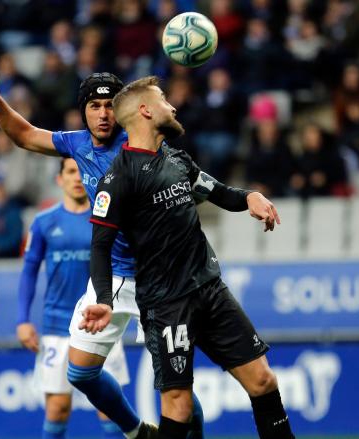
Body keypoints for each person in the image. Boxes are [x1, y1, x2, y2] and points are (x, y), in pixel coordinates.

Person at [0, 66, 204, 439]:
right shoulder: (75, 144)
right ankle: (138, 432)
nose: (104, 113)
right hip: (112, 275)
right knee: (80, 373)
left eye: (110, 105)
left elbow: (189, 182)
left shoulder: (140, 142)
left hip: (156, 275)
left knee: (174, 382)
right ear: (84, 111)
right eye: (95, 105)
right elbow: (24, 135)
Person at [80, 76, 295, 439]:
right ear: (146, 111)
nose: (172, 106)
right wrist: (103, 300)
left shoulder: (177, 158)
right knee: (177, 405)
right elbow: (100, 246)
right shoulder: (117, 179)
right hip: (166, 304)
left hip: (210, 290)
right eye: (163, 100)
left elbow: (219, 192)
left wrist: (249, 198)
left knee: (262, 380)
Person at [18, 158, 130, 439]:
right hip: (57, 325)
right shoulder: (44, 222)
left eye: (81, 171)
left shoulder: (106, 217)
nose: (77, 177)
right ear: (59, 179)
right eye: (70, 171)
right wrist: (23, 320)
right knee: (57, 409)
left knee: (109, 409)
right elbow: (29, 271)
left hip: (100, 323)